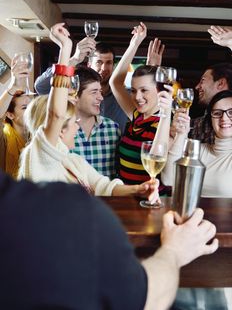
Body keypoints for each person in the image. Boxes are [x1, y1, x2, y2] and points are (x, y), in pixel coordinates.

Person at [0, 169, 218, 309]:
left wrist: (134, 189)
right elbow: (149, 298)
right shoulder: (74, 214)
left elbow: (101, 182)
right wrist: (174, 251)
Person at [18, 23, 157, 199]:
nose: (77, 128)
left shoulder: (73, 161)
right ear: (58, 129)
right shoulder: (41, 155)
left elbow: (103, 185)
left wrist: (137, 189)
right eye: (70, 123)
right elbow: (56, 113)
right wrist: (66, 50)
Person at [109, 22, 168, 185]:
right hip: (125, 195)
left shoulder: (166, 123)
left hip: (150, 200)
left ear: (159, 89)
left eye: (144, 90)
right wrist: (134, 44)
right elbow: (116, 82)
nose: (137, 97)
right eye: (133, 90)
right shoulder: (136, 115)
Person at [34, 39, 128, 133]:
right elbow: (41, 87)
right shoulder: (74, 89)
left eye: (108, 63)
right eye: (99, 62)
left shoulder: (124, 96)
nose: (104, 68)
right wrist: (75, 59)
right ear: (89, 64)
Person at [162, 90, 232, 197]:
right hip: (192, 213)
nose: (224, 118)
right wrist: (181, 133)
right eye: (217, 113)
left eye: (231, 112)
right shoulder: (198, 150)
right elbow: (168, 180)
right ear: (210, 119)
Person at [70, 65, 121, 179]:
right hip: (70, 196)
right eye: (94, 92)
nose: (101, 98)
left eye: (100, 91)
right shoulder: (62, 131)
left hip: (106, 197)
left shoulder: (112, 129)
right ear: (75, 95)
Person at [0, 58, 31, 178]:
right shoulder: (4, 139)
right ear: (10, 114)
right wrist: (13, 86)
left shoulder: (37, 136)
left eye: (31, 106)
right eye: (24, 108)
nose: (30, 111)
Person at [188, 62, 232, 144]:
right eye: (217, 114)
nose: (197, 87)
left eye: (202, 81)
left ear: (220, 83)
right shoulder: (193, 125)